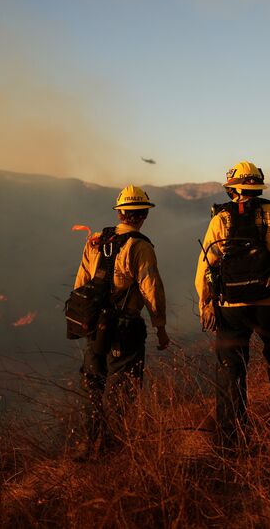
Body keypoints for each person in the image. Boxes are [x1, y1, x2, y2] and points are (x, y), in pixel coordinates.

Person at [195, 161, 270, 446]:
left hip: (231, 308)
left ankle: (232, 436)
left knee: (231, 368)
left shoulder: (221, 220)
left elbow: (206, 265)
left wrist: (205, 302)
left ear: (234, 190)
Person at [73, 185, 170, 452]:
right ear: (143, 216)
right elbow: (152, 289)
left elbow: (81, 284)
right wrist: (160, 328)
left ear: (119, 214)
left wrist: (84, 322)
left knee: (92, 384)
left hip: (94, 326)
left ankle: (89, 441)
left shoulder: (95, 242)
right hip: (125, 327)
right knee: (122, 388)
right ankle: (114, 445)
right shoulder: (140, 247)